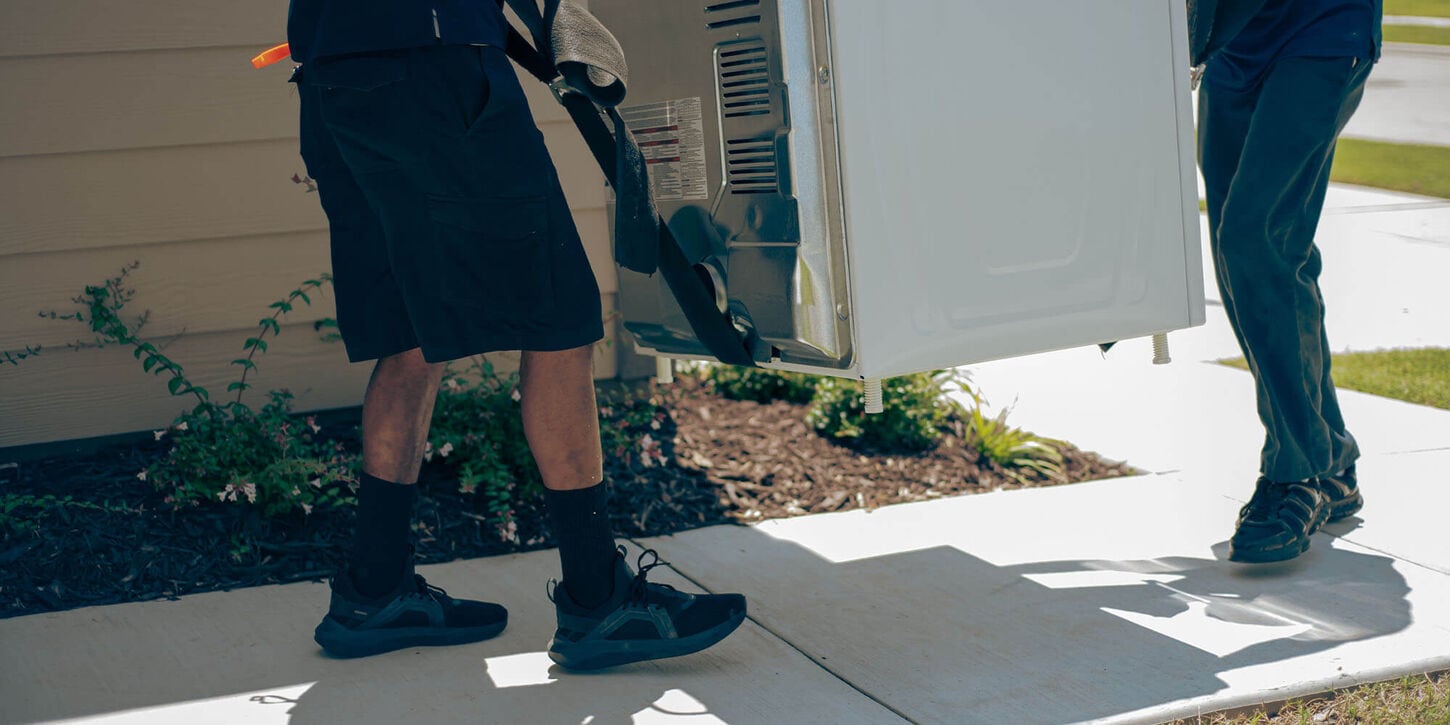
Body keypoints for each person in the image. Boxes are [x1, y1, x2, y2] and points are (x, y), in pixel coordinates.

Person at [287, 0, 746, 667]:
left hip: (335, 74)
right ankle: (598, 598)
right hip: (432, 59)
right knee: (559, 317)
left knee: (410, 331)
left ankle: (374, 589)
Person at [1190, 0, 1382, 563]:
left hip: (1322, 28)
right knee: (1251, 254)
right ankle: (1333, 460)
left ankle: (1295, 473)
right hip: (1232, 46)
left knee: (1255, 238)